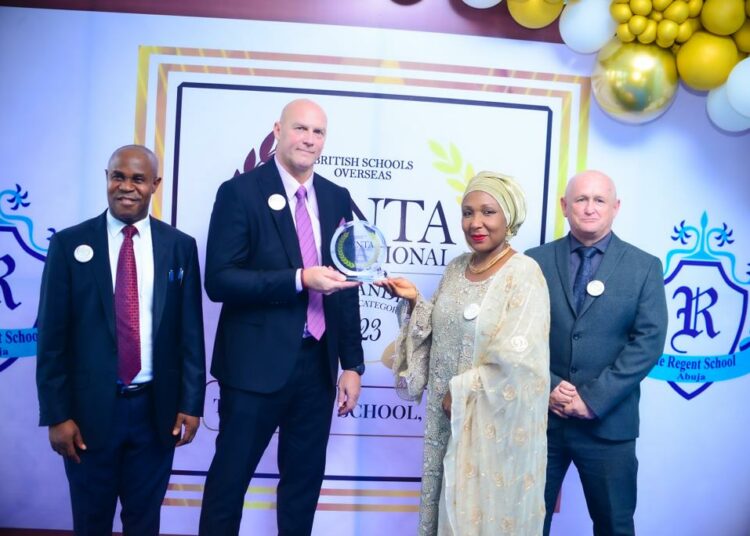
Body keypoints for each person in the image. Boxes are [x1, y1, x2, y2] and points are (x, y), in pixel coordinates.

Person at [199, 98, 365, 536]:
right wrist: (298, 279)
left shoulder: (336, 198)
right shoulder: (239, 192)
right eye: (300, 129)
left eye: (318, 132)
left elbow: (348, 284)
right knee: (229, 481)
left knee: (303, 485)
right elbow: (219, 280)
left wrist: (352, 363)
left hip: (317, 368)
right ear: (277, 129)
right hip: (254, 368)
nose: (309, 140)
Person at [36, 144, 206, 535]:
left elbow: (190, 333)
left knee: (144, 522)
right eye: (118, 176)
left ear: (155, 185)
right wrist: (57, 415)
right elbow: (51, 338)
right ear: (107, 178)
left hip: (155, 413)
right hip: (88, 415)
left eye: (138, 179)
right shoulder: (68, 245)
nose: (126, 187)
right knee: (91, 521)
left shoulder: (180, 247)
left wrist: (190, 402)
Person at [378, 171, 550, 536]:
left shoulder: (524, 273)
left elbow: (520, 355)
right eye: (467, 212)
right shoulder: (457, 267)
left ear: (509, 217)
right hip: (445, 420)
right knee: (445, 507)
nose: (476, 223)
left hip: (490, 425)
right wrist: (415, 303)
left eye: (488, 212)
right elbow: (443, 328)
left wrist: (465, 389)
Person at [525, 170, 668, 536]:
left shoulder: (644, 266)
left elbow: (648, 342)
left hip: (609, 425)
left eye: (599, 200)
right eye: (581, 200)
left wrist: (591, 399)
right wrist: (550, 386)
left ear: (616, 207)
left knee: (614, 526)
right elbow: (518, 336)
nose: (589, 208)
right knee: (525, 522)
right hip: (542, 421)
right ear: (564, 206)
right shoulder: (533, 262)